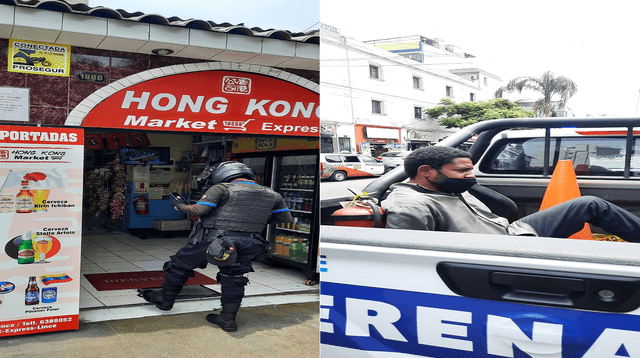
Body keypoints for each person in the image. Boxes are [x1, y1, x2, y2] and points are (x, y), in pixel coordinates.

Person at [140, 161, 292, 332]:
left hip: (216, 240)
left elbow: (197, 210)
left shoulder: (222, 188)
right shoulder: (272, 194)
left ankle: (165, 300)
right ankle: (228, 319)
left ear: (223, 174)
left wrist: (178, 205)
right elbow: (285, 219)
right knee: (234, 277)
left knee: (179, 264)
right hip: (251, 242)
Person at [381, 146, 640, 242]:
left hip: (511, 232)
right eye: (462, 171)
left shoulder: (447, 185)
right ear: (426, 171)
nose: (471, 177)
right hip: (502, 249)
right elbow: (413, 254)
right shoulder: (411, 205)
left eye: (471, 170)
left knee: (590, 204)